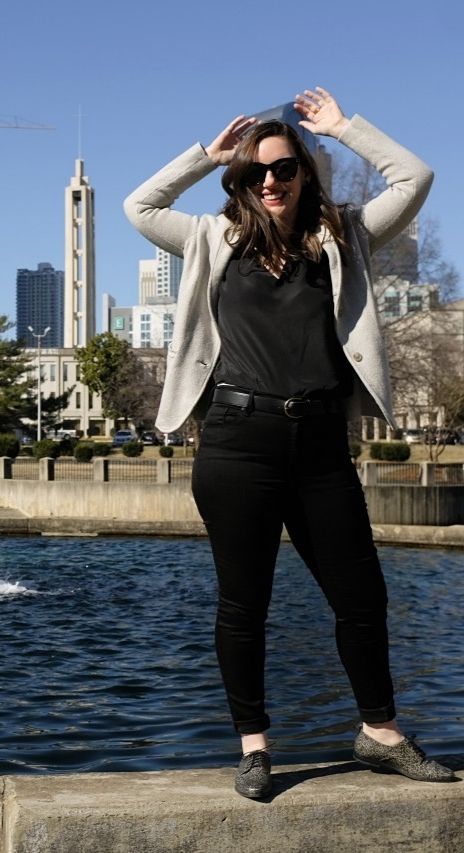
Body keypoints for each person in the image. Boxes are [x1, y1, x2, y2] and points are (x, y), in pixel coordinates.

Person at [124, 87, 455, 798]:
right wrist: (204, 157)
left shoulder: (347, 234)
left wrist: (344, 129)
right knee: (245, 604)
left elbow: (416, 178)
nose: (269, 181)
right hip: (237, 441)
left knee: (362, 594)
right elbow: (139, 207)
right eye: (253, 173)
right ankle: (255, 746)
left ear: (304, 171)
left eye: (282, 168)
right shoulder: (211, 239)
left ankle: (380, 733)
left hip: (319, 446)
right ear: (239, 182)